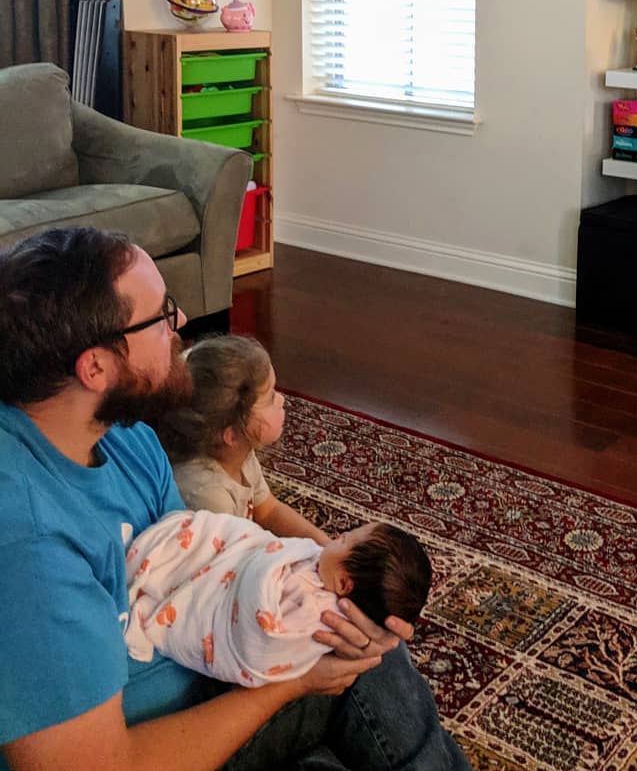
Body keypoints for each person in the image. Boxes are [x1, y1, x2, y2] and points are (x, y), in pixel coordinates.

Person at [0, 227, 470, 771]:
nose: (179, 324)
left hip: (205, 673)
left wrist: (332, 611)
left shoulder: (124, 435)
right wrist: (288, 685)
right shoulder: (29, 545)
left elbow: (197, 557)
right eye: (159, 316)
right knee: (355, 690)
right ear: (96, 367)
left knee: (353, 669)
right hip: (145, 741)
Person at [127, 510, 432, 687]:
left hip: (228, 636)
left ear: (342, 583)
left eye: (343, 539)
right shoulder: (326, 580)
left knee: (386, 657)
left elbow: (264, 627)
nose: (334, 538)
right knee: (385, 663)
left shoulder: (312, 602)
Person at [156, 334, 329, 544]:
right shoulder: (209, 496)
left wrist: (326, 546)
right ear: (231, 434)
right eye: (270, 398)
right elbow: (231, 563)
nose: (282, 400)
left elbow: (268, 511)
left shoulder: (238, 452)